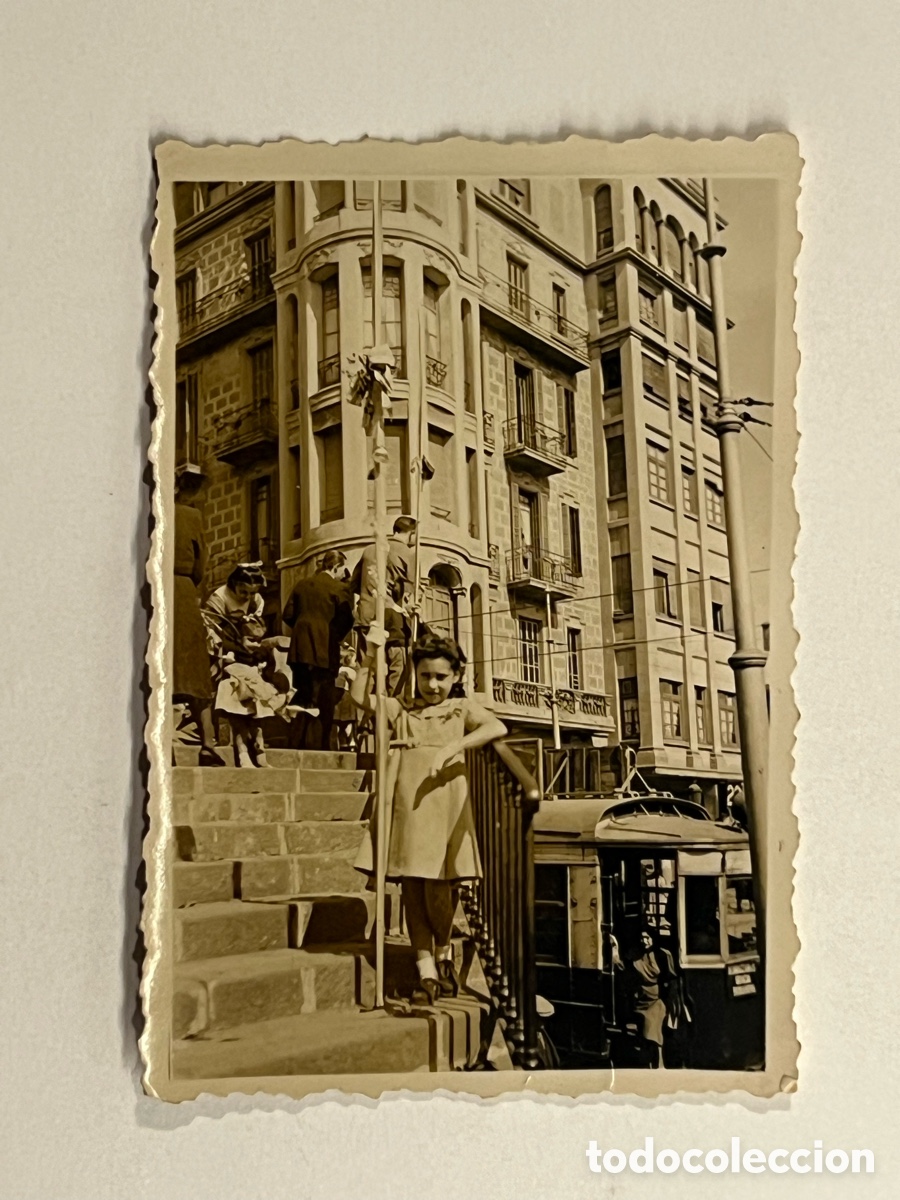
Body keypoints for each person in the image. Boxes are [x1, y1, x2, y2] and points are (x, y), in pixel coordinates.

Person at [351, 629, 506, 1005]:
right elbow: (357, 697)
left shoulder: (460, 709)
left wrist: (455, 746)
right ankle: (427, 971)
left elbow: (496, 727)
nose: (432, 684)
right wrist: (372, 657)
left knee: (441, 885)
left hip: (445, 805)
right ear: (415, 674)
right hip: (408, 806)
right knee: (413, 887)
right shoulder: (402, 709)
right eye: (425, 676)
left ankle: (443, 953)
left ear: (455, 677)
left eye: (440, 676)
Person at [203, 563, 294, 767]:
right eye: (243, 591)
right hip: (225, 657)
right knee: (239, 692)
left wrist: (257, 646)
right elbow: (213, 636)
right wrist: (238, 647)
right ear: (234, 584)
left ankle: (258, 748)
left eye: (251, 592)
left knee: (255, 696)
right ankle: (243, 749)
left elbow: (256, 630)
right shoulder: (218, 599)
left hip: (250, 658)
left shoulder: (255, 601)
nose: (247, 597)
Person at [172, 477, 224, 766]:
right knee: (195, 670)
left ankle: (161, 744)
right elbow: (201, 562)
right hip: (183, 590)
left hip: (153, 590)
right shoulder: (192, 515)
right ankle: (207, 743)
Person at [281, 550, 354, 751]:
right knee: (324, 697)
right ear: (336, 567)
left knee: (302, 693)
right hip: (325, 647)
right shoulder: (340, 588)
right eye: (342, 570)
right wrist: (333, 635)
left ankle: (297, 742)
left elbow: (287, 615)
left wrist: (304, 628)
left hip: (300, 649)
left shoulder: (302, 584)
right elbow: (347, 619)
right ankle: (321, 745)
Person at [350, 515, 416, 695]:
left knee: (368, 667)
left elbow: (354, 584)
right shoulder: (407, 553)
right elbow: (411, 591)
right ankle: (391, 715)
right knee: (397, 668)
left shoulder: (369, 550)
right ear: (411, 534)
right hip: (393, 620)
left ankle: (367, 716)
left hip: (366, 617)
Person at [611, 929, 678, 1068]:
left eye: (647, 937)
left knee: (652, 1026)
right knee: (645, 1032)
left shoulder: (662, 955)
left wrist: (670, 999)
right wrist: (615, 950)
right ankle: (648, 1062)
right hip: (641, 999)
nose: (644, 941)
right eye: (642, 938)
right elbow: (623, 967)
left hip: (658, 999)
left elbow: (671, 978)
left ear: (653, 938)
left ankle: (659, 1063)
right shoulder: (635, 955)